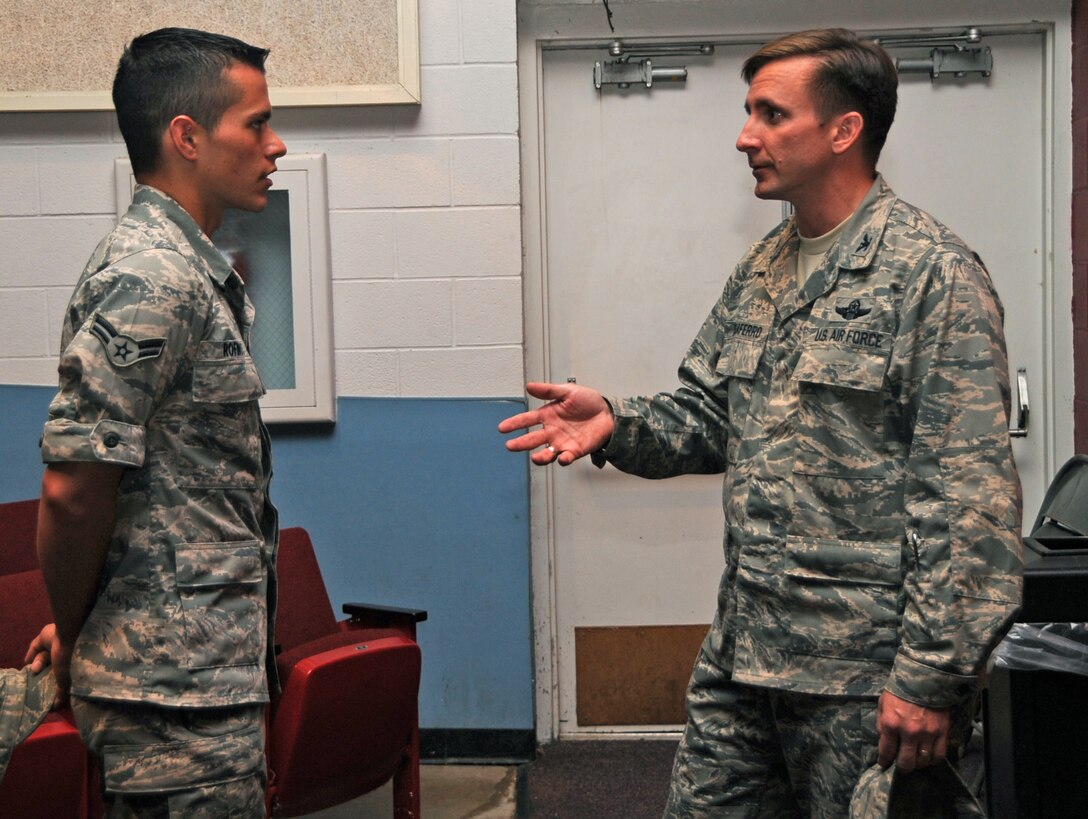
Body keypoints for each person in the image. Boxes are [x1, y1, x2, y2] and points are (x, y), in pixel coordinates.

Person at [499, 28, 1022, 817]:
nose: (745, 136)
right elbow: (713, 412)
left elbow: (970, 497)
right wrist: (615, 420)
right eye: (749, 112)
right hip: (745, 655)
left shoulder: (933, 275)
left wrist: (931, 676)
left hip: (863, 674)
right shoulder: (766, 266)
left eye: (771, 115)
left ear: (845, 130)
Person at [25, 27, 285, 816]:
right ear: (188, 138)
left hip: (197, 690)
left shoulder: (191, 271)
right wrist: (74, 634)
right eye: (257, 123)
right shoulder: (151, 276)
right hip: (170, 704)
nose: (276, 144)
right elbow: (74, 488)